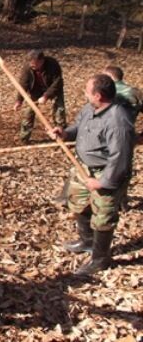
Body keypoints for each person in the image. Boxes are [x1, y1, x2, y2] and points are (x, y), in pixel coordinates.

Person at [49, 74, 135, 275]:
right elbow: (79, 127)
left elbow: (121, 157)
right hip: (83, 169)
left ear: (98, 96)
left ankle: (100, 258)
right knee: (78, 203)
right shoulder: (90, 108)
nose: (84, 94)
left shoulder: (118, 121)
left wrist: (102, 182)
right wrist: (64, 133)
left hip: (107, 172)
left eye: (87, 91)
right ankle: (86, 241)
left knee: (103, 217)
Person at [102, 65, 141, 210]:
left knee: (105, 166)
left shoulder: (105, 92)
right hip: (127, 136)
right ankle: (121, 200)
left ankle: (108, 200)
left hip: (105, 136)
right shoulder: (136, 92)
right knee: (124, 168)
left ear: (110, 77)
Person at [13, 50, 66, 144]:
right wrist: (19, 101)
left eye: (34, 64)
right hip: (36, 90)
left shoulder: (52, 64)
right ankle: (23, 138)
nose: (32, 66)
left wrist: (46, 96)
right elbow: (23, 85)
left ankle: (62, 134)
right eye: (30, 64)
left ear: (41, 61)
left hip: (53, 89)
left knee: (59, 109)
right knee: (29, 112)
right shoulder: (27, 68)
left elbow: (58, 82)